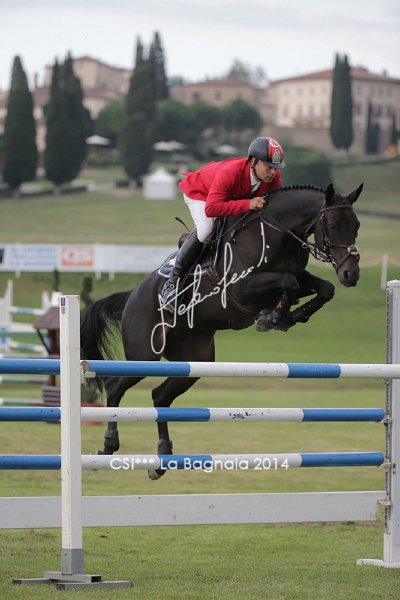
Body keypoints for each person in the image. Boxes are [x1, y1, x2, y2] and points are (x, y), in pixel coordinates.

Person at [161, 136, 285, 311]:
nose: (273, 172)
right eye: (269, 167)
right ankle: (172, 283)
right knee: (206, 229)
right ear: (253, 161)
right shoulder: (231, 172)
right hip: (201, 193)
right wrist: (248, 204)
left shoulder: (272, 178)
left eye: (276, 168)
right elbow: (211, 209)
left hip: (226, 197)